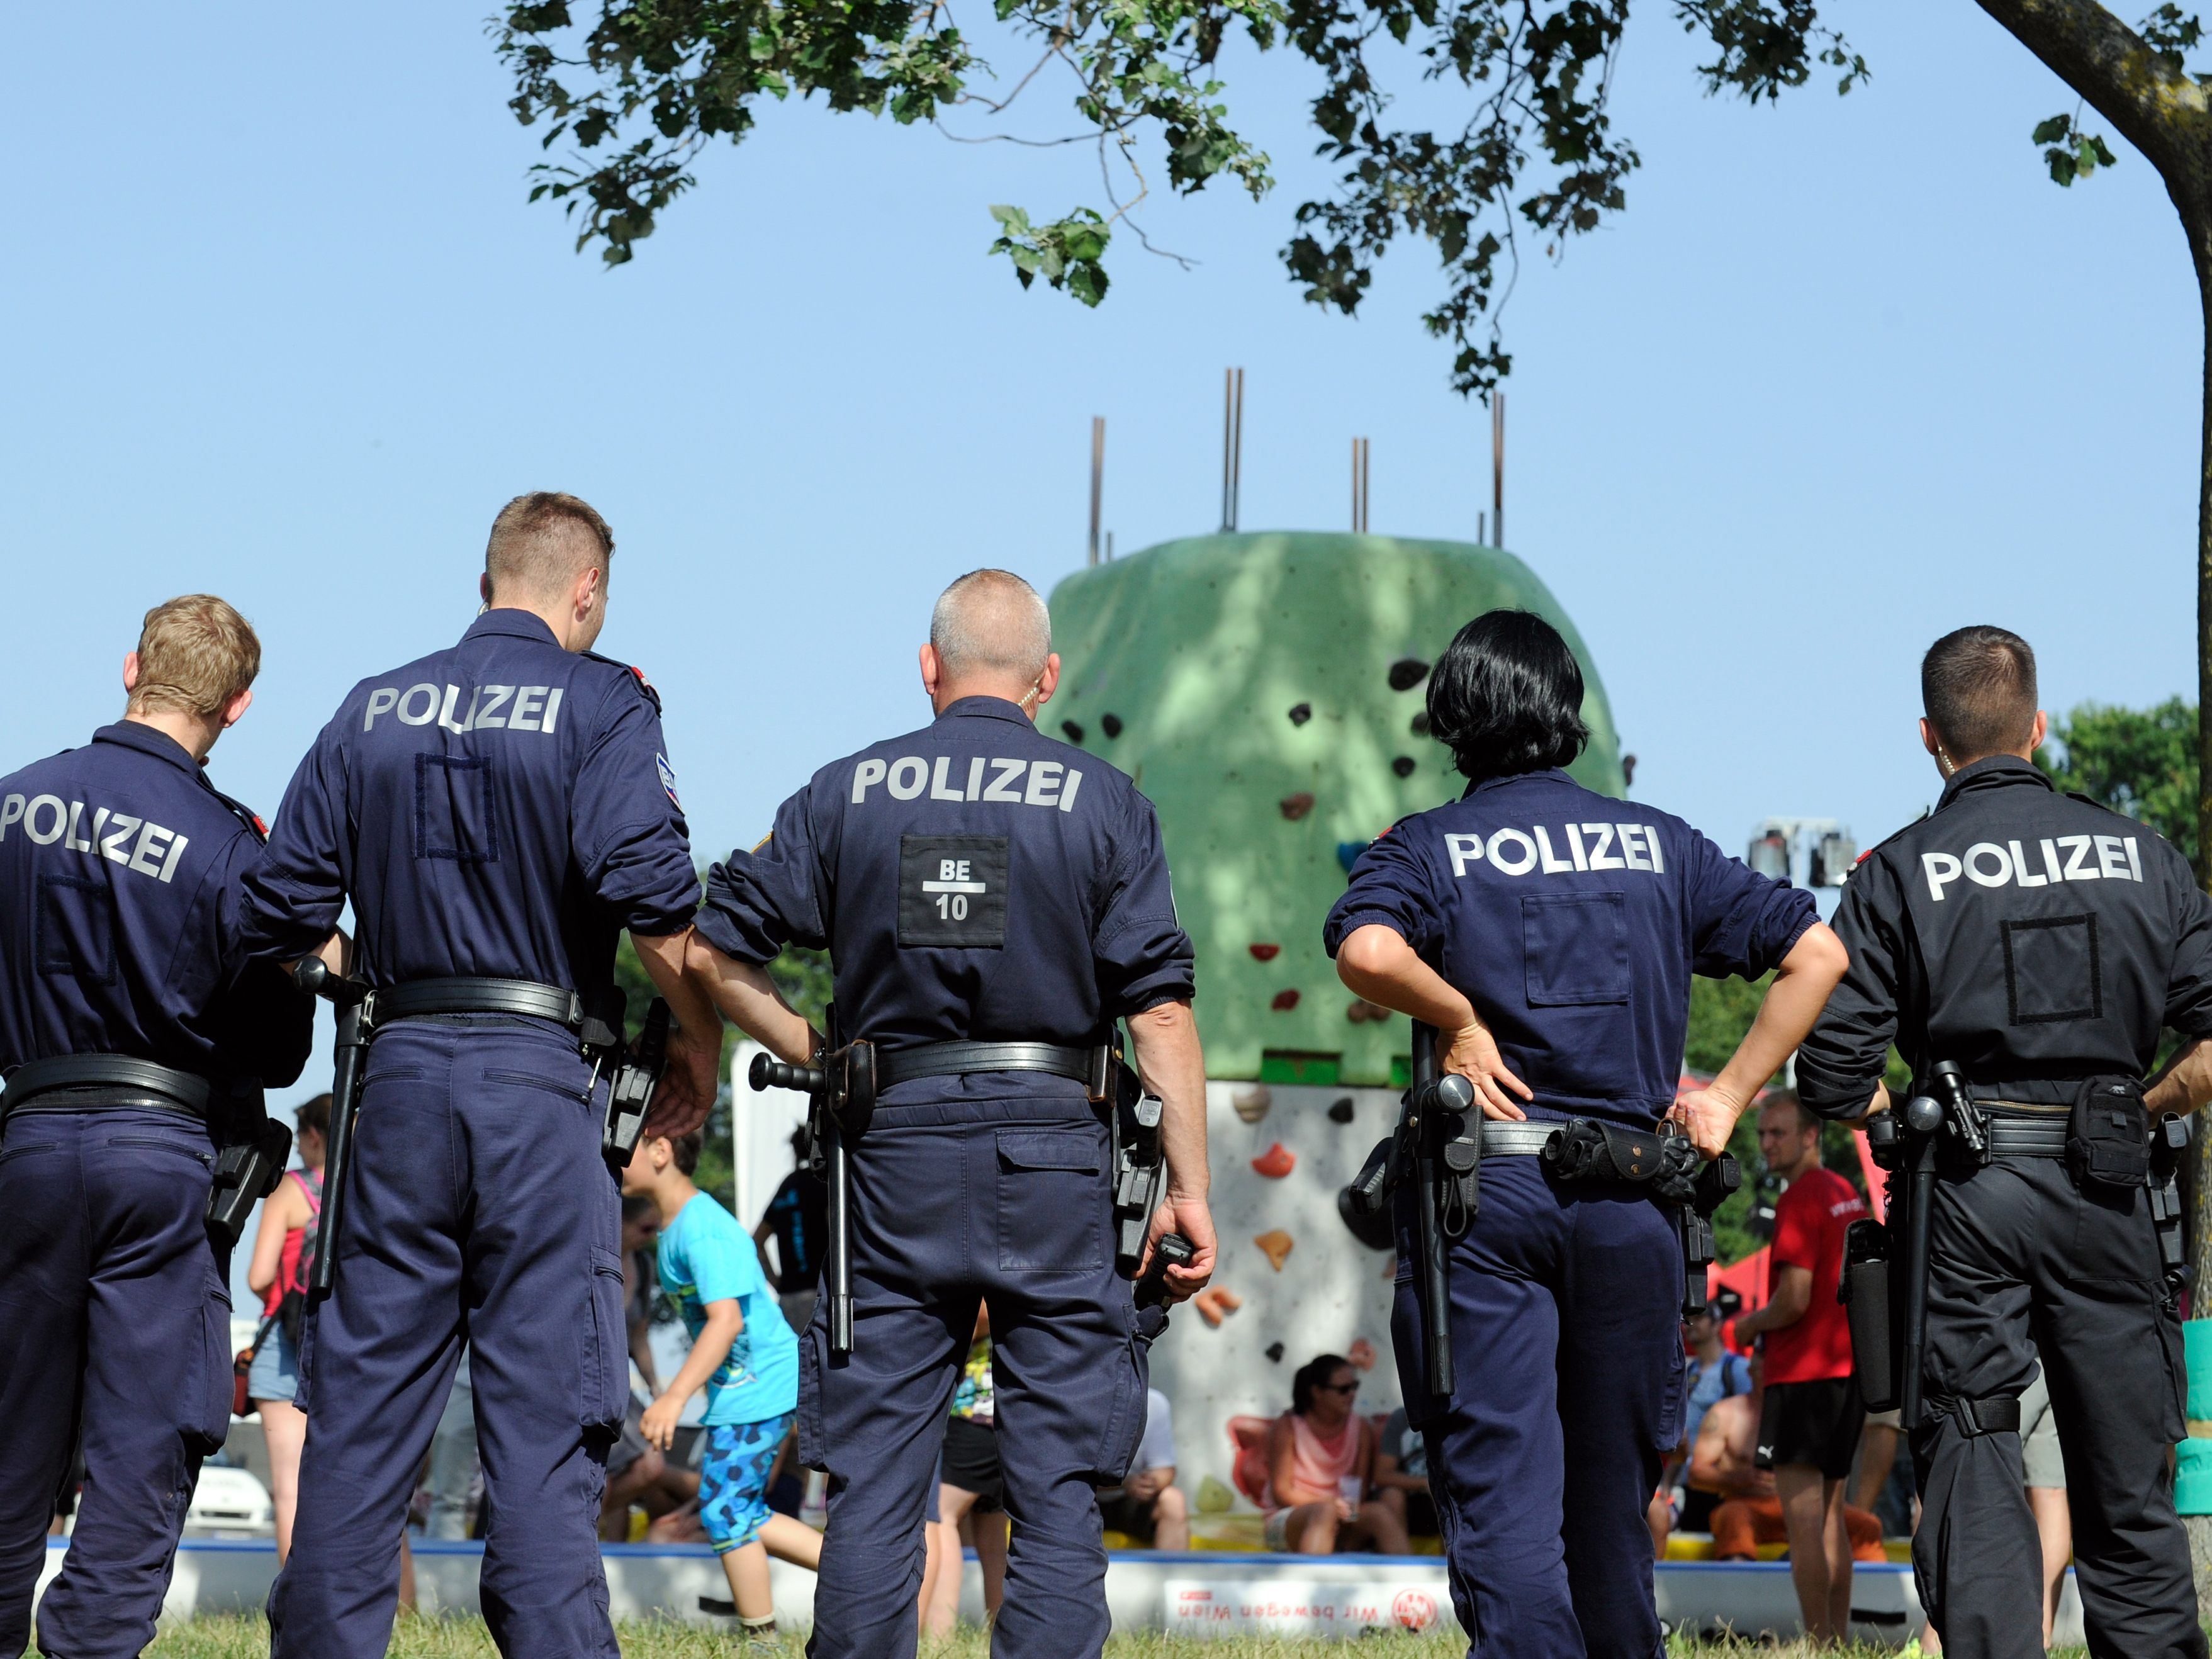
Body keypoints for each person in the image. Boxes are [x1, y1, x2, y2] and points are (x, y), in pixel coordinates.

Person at [684, 566, 1217, 1659]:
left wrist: (817, 1052)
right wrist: (1189, 1192)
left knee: (881, 1469)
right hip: (1059, 1153)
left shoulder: (845, 792)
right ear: (1046, 678)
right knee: (1056, 1467)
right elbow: (1159, 1017)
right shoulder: (1107, 800)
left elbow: (712, 949)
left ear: (929, 668)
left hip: (893, 1152)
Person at [238, 493, 724, 1659]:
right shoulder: (604, 699)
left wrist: (389, 970)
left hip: (396, 1085)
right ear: (588, 593)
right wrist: (697, 1049)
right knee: (547, 1423)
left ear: (484, 583)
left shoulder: (371, 707)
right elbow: (651, 894)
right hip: (538, 1089)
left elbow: (283, 910)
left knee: (359, 1427)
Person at [1325, 609, 1848, 1659]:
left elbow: (1368, 948)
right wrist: (1731, 1096)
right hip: (1635, 1203)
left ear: (1455, 719)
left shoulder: (1430, 845)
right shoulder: (1660, 843)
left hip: (1491, 1199)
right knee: (1614, 1511)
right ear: (1566, 712)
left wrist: (1460, 1018)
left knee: (1504, 1493)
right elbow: (1818, 953)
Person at [1795, 624, 2212, 1659]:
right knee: (2125, 1472)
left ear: (1930, 737)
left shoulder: (1898, 871)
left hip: (1967, 1193)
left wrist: (1900, 1133)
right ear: (2038, 724)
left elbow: (1834, 1069)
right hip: (2109, 1188)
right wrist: (2142, 1107)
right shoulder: (2142, 855)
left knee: (1975, 1455)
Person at [0, 596, 318, 1656]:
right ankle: (91, 1641)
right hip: (160, 1152)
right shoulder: (231, 848)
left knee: (9, 1423)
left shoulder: (13, 805)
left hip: (28, 1138)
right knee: (147, 1432)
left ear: (129, 664)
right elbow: (277, 1050)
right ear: (238, 705)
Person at [624, 1127, 818, 1648]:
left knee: (727, 1510)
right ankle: (859, 1583)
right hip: (744, 1385)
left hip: (761, 1382)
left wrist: (673, 1396)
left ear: (661, 1151)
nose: (613, 1155)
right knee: (733, 1510)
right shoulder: (677, 1227)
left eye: (625, 1144)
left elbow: (726, 1321)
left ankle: (768, 1638)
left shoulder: (701, 1229)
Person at [1728, 1091, 1868, 1644]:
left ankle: (1818, 1643)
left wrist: (1746, 1327)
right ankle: (1836, 1638)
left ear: (1809, 1136)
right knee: (1831, 1513)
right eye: (1762, 1134)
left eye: (1776, 1133)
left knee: (1804, 1518)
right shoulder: (1843, 1193)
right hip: (1847, 1371)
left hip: (1804, 1373)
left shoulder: (1799, 1198)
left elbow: (1794, 1299)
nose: (1765, 1144)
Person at [1690, 1357, 1884, 1568]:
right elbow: (1696, 1474)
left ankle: (1872, 1594)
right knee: (1733, 1517)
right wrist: (1743, 1479)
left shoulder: (1804, 1411)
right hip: (1747, 1504)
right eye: (1763, 1364)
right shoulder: (1726, 1413)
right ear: (1751, 1371)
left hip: (1803, 1504)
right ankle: (1737, 1587)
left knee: (1866, 1525)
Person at [246, 1092, 330, 1560]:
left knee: (290, 1488)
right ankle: (405, 1606)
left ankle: (297, 1604)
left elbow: (259, 1277)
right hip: (355, 1346)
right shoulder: (372, 1185)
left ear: (315, 1135)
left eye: (301, 1135)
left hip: (285, 1347)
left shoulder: (290, 1189)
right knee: (375, 1486)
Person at [1262, 1356, 1410, 1555]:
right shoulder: (1288, 1427)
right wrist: (1328, 1503)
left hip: (1341, 1516)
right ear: (1317, 1392)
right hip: (1290, 1517)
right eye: (1343, 1389)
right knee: (1324, 1512)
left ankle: (1407, 1584)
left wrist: (1345, 1508)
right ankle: (1312, 1583)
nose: (1352, 1395)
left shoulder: (1360, 1429)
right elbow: (1282, 1494)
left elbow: (1360, 1490)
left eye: (1354, 1387)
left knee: (1380, 1513)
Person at [929, 1312, 1008, 1634]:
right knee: (992, 1536)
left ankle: (938, 1633)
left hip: (974, 1418)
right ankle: (1001, 1633)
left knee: (941, 1519)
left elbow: (981, 1315)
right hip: (1007, 1421)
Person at [755, 1125, 828, 1333]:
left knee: (798, 1362)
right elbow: (838, 1236)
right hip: (820, 1294)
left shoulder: (788, 1186)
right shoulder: (823, 1185)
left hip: (788, 1298)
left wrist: (776, 1281)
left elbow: (756, 1241)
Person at [1096, 1387, 1188, 1549]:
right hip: (1079, 1501)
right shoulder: (1072, 1398)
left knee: (1173, 1500)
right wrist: (1125, 1484)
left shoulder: (1153, 1402)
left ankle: (1170, 1572)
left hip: (1129, 1502)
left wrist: (1149, 1484)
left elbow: (1165, 1469)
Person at [1374, 1402, 1437, 1540]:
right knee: (1391, 1496)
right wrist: (1425, 1483)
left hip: (1444, 1492)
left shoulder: (1456, 1417)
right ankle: (1402, 1558)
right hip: (1410, 1496)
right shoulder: (1402, 1418)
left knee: (1451, 1493)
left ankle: (1451, 1559)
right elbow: (1382, 1475)